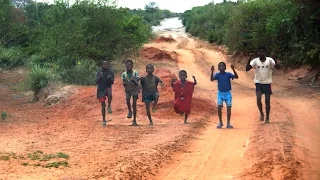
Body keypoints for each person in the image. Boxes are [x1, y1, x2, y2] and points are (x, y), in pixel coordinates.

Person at [246, 46, 280, 123]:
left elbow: (278, 67)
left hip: (267, 83)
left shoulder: (270, 60)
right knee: (258, 99)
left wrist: (275, 60)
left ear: (265, 52)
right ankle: (261, 113)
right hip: (258, 83)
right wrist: (249, 59)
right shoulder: (255, 61)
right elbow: (247, 69)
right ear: (258, 53)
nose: (261, 53)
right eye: (259, 51)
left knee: (267, 101)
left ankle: (267, 117)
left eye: (262, 51)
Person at [211, 62, 238, 128]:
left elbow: (236, 77)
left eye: (222, 66)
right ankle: (220, 122)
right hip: (220, 93)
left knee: (229, 108)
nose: (221, 67)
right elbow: (211, 79)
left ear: (225, 67)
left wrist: (233, 69)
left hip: (227, 93)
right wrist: (212, 71)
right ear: (218, 68)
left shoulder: (228, 74)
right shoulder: (217, 75)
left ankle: (228, 123)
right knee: (219, 107)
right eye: (220, 66)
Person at [96, 60, 114, 126]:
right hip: (101, 89)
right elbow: (96, 81)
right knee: (103, 105)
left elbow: (112, 82)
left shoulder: (111, 72)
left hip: (107, 87)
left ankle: (109, 106)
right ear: (102, 65)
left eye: (107, 64)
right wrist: (100, 77)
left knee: (110, 94)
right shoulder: (99, 72)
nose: (105, 65)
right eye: (104, 64)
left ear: (109, 65)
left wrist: (110, 78)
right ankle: (103, 120)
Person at [122, 59, 140, 126]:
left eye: (130, 64)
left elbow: (137, 81)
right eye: (127, 64)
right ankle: (129, 111)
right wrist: (125, 83)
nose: (129, 66)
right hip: (128, 89)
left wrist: (134, 80)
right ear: (125, 66)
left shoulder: (135, 72)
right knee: (127, 99)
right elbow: (124, 83)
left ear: (132, 66)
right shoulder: (124, 74)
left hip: (135, 89)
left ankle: (134, 120)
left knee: (134, 105)